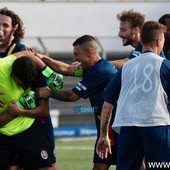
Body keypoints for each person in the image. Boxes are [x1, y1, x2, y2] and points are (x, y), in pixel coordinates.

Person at [37, 35, 118, 170]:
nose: (74, 59)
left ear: (89, 52)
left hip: (114, 127)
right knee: (100, 166)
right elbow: (66, 69)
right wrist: (42, 58)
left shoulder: (99, 70)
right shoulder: (93, 67)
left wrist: (49, 93)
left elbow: (72, 96)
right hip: (105, 124)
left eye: (76, 54)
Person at [96, 21, 170, 170]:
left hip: (127, 126)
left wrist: (103, 136)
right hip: (156, 125)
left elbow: (107, 105)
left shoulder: (126, 67)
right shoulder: (165, 65)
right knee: (160, 167)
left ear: (141, 40)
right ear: (159, 41)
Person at [0, 7, 57, 170]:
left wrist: (49, 86)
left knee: (47, 165)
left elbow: (44, 91)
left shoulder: (22, 52)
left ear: (14, 28)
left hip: (29, 123)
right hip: (5, 126)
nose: (1, 29)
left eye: (5, 25)